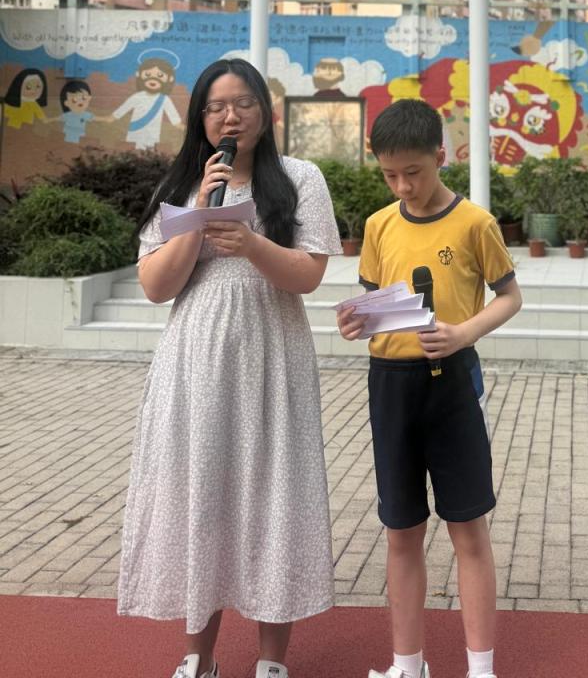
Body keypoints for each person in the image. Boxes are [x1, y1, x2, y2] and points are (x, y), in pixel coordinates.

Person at [117, 57, 342, 678]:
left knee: (276, 496)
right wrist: (196, 213)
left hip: (272, 356)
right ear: (200, 119)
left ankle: (272, 661)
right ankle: (198, 656)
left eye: (242, 103)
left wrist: (253, 244)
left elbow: (310, 275)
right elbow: (156, 287)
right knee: (200, 495)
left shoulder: (299, 178)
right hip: (194, 364)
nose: (230, 117)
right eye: (216, 107)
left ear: (265, 113)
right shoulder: (178, 187)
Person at [337, 99, 522, 678]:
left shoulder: (474, 224)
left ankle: (481, 669)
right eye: (390, 175)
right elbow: (374, 303)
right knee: (400, 530)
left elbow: (510, 297)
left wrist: (463, 332)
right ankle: (406, 664)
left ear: (441, 156)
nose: (402, 186)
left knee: (468, 527)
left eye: (413, 173)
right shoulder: (378, 225)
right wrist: (356, 322)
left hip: (453, 385)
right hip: (390, 386)